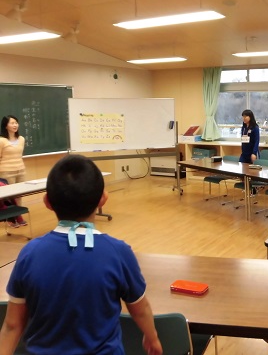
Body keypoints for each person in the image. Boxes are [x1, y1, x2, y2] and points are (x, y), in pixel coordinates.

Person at [0, 155, 162, 355]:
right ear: (103, 198)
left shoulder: (30, 253)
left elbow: (12, 325)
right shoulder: (118, 252)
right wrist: (152, 337)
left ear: (47, 202)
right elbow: (140, 309)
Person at [0, 115, 28, 228]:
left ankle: (18, 215)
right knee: (9, 197)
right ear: (5, 126)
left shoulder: (21, 139)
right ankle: (11, 218)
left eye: (16, 122)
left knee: (19, 195)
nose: (15, 125)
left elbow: (19, 155)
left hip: (21, 170)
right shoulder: (1, 140)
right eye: (12, 123)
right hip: (6, 171)